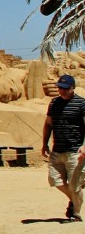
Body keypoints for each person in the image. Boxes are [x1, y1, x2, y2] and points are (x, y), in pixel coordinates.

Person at [42, 74, 85, 221]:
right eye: (60, 88)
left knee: (75, 185)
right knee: (55, 181)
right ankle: (74, 201)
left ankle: (76, 213)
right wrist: (44, 144)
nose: (62, 91)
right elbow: (48, 124)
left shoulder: (81, 104)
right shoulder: (54, 103)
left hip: (74, 151)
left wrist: (84, 146)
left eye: (65, 89)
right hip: (57, 149)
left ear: (72, 88)